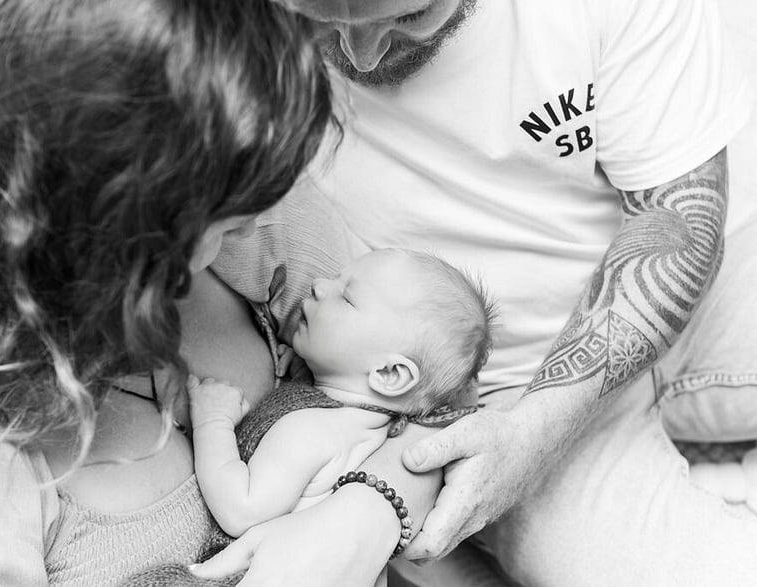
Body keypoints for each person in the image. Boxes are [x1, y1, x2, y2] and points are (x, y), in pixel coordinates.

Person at [194, 0, 757, 585]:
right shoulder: (196, 36)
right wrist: (506, 439)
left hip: (708, 275)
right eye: (321, 19)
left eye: (410, 17)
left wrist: (544, 424)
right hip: (497, 399)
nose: (363, 55)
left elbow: (677, 217)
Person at [0, 0, 336, 584]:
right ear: (124, 232)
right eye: (222, 222)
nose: (251, 223)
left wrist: (371, 508)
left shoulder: (260, 219)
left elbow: (423, 389)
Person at [187, 249, 496, 580]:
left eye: (347, 298)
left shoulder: (311, 430)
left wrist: (212, 421)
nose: (320, 286)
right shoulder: (372, 429)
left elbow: (240, 509)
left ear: (390, 374)